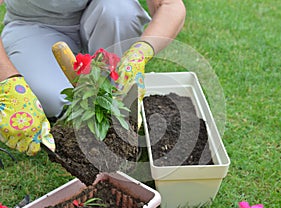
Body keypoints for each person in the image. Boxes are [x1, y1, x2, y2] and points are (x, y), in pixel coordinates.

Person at [0, 0, 186, 156]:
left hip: (99, 13)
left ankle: (116, 104)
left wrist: (142, 51)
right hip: (33, 25)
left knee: (120, 11)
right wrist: (8, 80)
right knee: (52, 99)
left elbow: (170, 5)